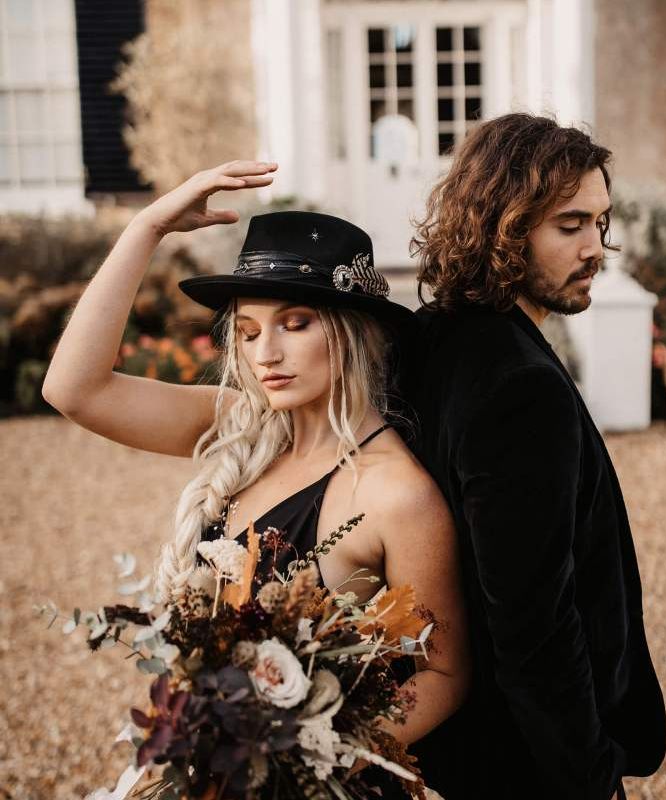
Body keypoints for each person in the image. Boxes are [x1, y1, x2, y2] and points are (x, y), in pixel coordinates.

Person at [41, 160, 469, 798]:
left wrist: (310, 760)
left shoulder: (395, 494)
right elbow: (73, 388)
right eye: (247, 331)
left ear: (356, 332)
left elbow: (446, 673)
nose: (264, 352)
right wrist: (147, 227)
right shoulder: (245, 426)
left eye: (294, 324)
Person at [401, 114, 666, 799]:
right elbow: (533, 629)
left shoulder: (438, 338)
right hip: (520, 763)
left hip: (462, 745)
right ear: (504, 226)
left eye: (601, 224)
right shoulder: (518, 387)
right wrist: (590, 777)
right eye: (569, 225)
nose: (596, 250)